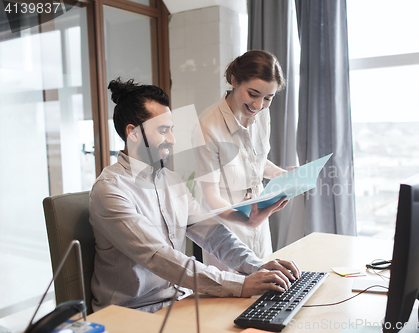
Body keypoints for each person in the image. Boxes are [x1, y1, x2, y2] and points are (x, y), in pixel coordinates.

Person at [89, 78, 300, 313]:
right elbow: (159, 257)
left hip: (178, 301)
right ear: (133, 133)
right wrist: (241, 284)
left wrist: (257, 266)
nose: (172, 139)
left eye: (171, 130)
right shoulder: (111, 190)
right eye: (162, 130)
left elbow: (212, 233)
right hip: (133, 313)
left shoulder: (171, 181)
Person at [195, 50, 293, 272]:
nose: (259, 105)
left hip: (258, 219)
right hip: (226, 224)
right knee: (232, 297)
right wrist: (246, 220)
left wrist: (284, 176)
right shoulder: (208, 126)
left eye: (268, 98)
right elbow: (210, 197)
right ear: (234, 81)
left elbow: (257, 164)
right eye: (253, 93)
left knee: (267, 283)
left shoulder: (261, 115)